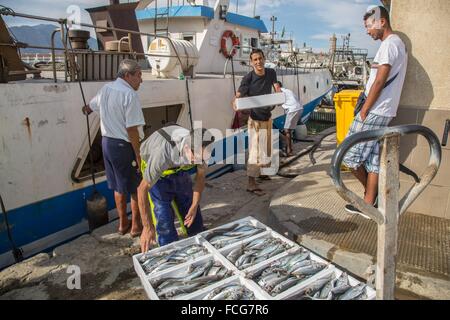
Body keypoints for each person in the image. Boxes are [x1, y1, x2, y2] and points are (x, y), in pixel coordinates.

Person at [343, 6, 408, 218]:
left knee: (348, 155)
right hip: (384, 110)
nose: (367, 31)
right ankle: (370, 201)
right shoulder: (395, 44)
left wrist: (364, 110)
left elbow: (379, 80)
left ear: (382, 22)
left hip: (375, 110)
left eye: (369, 25)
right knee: (371, 160)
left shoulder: (389, 44)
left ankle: (373, 196)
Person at [82, 59, 145, 236]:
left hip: (107, 144)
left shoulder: (106, 88)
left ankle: (122, 224)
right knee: (135, 188)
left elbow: (90, 107)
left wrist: (85, 108)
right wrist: (138, 155)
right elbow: (132, 129)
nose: (141, 80)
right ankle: (136, 227)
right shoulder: (129, 95)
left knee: (118, 187)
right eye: (138, 75)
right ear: (127, 75)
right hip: (123, 146)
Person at [137, 126, 215, 252]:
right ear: (186, 149)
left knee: (191, 211)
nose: (201, 161)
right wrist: (147, 226)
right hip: (157, 169)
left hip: (178, 168)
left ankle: (197, 239)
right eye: (198, 157)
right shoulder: (162, 154)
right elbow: (141, 189)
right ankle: (169, 249)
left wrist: (195, 205)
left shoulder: (201, 150)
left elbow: (200, 178)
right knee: (163, 217)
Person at [232, 49, 281, 196]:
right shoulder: (248, 78)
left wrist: (278, 92)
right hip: (255, 119)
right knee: (255, 151)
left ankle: (262, 173)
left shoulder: (271, 72)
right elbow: (240, 92)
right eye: (255, 60)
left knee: (266, 148)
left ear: (264, 59)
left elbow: (276, 85)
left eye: (260, 58)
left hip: (267, 115)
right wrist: (235, 99)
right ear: (251, 62)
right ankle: (251, 183)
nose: (258, 62)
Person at [276, 81, 303, 157]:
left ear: (278, 86)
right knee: (289, 130)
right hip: (299, 109)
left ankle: (289, 150)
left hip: (292, 110)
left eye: (276, 87)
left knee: (287, 130)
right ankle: (289, 148)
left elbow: (278, 103)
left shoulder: (280, 91)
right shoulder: (287, 90)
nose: (275, 89)